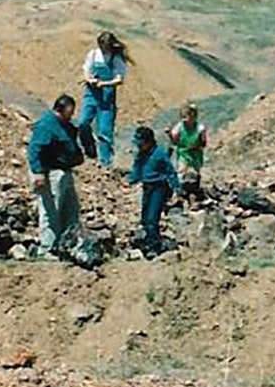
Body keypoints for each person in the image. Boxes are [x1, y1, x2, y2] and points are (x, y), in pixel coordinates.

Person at [27, 94, 87, 254]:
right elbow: (35, 149)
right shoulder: (47, 125)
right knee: (51, 211)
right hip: (51, 173)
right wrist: (38, 172)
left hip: (64, 172)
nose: (72, 115)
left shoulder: (65, 125)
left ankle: (68, 246)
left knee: (71, 210)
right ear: (62, 109)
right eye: (70, 111)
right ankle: (48, 248)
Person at [125, 126, 180, 257]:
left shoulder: (159, 154)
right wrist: (130, 180)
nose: (139, 146)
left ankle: (154, 247)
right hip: (147, 188)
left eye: (141, 143)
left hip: (159, 188)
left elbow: (170, 172)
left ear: (149, 142)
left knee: (152, 218)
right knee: (144, 218)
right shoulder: (141, 155)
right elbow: (137, 169)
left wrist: (176, 188)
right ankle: (148, 241)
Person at [80, 32, 130, 167]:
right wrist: (88, 78)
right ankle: (89, 147)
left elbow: (119, 79)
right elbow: (86, 69)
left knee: (104, 129)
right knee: (83, 122)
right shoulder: (93, 54)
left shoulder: (115, 58)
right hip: (91, 93)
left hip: (107, 96)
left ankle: (105, 161)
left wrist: (105, 83)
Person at [166, 103, 208, 197]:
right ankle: (178, 190)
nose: (185, 119)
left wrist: (197, 145)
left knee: (195, 171)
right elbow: (175, 141)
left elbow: (203, 142)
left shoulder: (200, 128)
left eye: (187, 117)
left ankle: (195, 189)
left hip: (196, 153)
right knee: (181, 170)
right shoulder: (180, 127)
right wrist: (170, 134)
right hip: (183, 152)